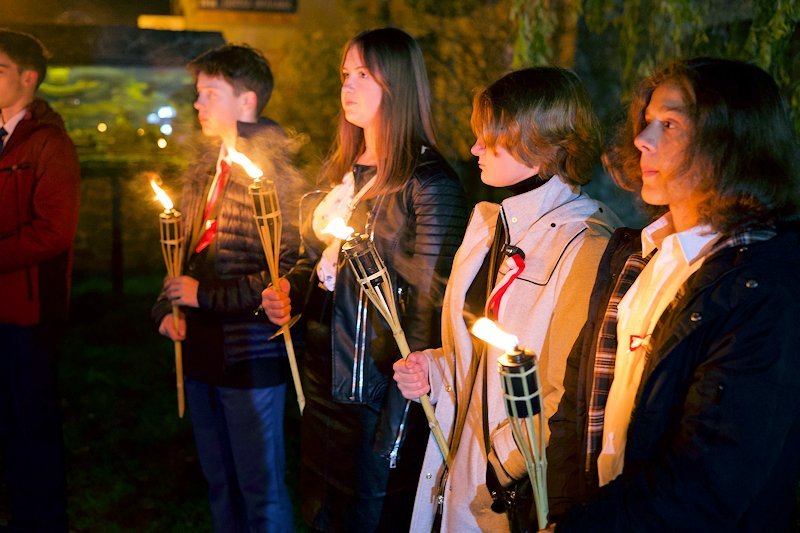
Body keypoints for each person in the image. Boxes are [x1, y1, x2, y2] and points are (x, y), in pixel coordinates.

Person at [546, 57, 800, 532]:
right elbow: (578, 410)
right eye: (646, 122)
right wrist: (563, 514)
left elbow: (707, 480)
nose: (643, 139)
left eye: (670, 123)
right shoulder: (637, 257)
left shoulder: (764, 290)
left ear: (731, 141)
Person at [392, 67, 621, 532]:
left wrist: (504, 471)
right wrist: (434, 368)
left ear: (538, 147)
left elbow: (564, 393)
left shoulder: (585, 244)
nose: (474, 148)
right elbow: (477, 353)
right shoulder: (489, 226)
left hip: (506, 493)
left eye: (489, 138)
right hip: (456, 467)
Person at [261, 27, 469, 532]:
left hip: (379, 391)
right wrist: (289, 288)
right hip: (322, 375)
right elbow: (319, 261)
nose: (347, 88)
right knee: (321, 510)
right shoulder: (344, 173)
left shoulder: (428, 182)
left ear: (395, 86)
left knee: (371, 516)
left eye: (363, 75)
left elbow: (429, 303)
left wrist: (400, 414)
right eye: (344, 75)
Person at [151, 43, 301, 532]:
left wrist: (206, 297)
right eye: (198, 94)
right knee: (220, 484)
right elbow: (184, 254)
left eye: (210, 93)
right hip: (199, 352)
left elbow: (289, 268)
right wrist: (166, 307)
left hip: (250, 358)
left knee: (261, 489)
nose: (198, 105)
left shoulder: (273, 170)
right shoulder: (206, 165)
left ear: (247, 101)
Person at [0, 29, 80, 531]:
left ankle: (42, 520)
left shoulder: (49, 142)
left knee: (30, 425)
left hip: (26, 315)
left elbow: (53, 231)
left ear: (28, 78)